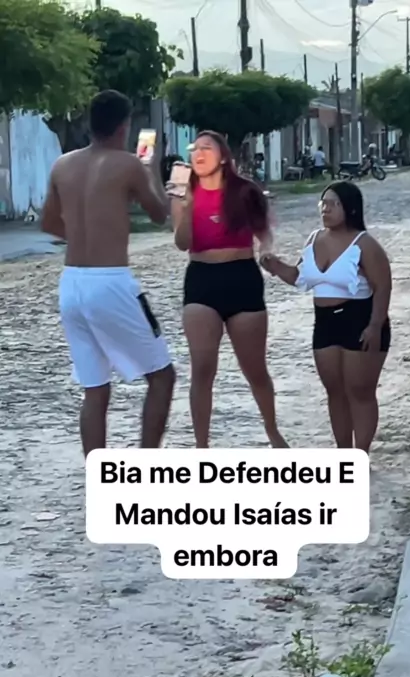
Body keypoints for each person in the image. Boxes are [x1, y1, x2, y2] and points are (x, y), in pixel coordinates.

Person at [40, 90, 175, 456]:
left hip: (72, 283)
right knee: (162, 376)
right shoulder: (129, 164)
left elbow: (49, 223)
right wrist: (151, 167)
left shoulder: (62, 164)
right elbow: (160, 213)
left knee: (95, 388)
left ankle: (96, 475)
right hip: (111, 281)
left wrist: (86, 236)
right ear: (124, 126)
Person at [170, 130, 288, 449]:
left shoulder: (244, 191)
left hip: (241, 277)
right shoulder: (183, 191)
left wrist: (266, 251)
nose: (199, 153)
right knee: (202, 368)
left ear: (223, 157)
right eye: (195, 148)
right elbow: (181, 243)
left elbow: (264, 233)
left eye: (207, 148)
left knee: (255, 369)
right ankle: (201, 447)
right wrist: (184, 207)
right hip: (201, 279)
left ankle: (273, 430)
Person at [261, 181, 391, 454]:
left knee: (360, 391)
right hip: (325, 322)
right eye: (323, 203)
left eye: (334, 204)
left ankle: (361, 453)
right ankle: (343, 453)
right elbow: (300, 277)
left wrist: (375, 325)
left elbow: (383, 287)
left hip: (360, 319)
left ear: (350, 208)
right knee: (335, 391)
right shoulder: (314, 238)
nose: (326, 209)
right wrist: (275, 266)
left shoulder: (365, 244)